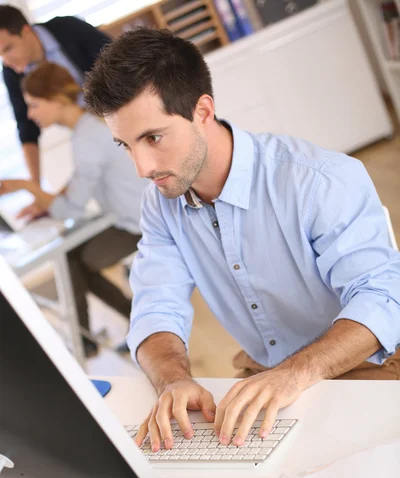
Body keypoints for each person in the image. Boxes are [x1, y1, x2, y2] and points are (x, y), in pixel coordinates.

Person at [84, 28, 400, 451]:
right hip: (267, 372)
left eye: (153, 138)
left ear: (202, 111)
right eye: (125, 144)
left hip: (368, 363)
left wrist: (293, 375)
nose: (142, 166)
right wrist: (174, 381)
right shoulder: (161, 203)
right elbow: (156, 308)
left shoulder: (317, 180)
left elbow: (383, 297)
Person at [0, 61, 147, 357]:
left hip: (139, 223)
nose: (30, 114)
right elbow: (78, 184)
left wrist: (27, 186)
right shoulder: (89, 127)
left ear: (56, 99)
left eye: (34, 105)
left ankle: (90, 344)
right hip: (129, 215)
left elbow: (71, 208)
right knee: (74, 261)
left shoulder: (87, 137)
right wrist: (45, 199)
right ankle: (119, 332)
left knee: (74, 262)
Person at [0, 4, 110, 183]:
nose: (6, 61)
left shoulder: (68, 28)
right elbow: (26, 127)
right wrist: (35, 186)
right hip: (88, 132)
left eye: (8, 48)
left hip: (117, 112)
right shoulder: (11, 72)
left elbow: (120, 62)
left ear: (26, 31)